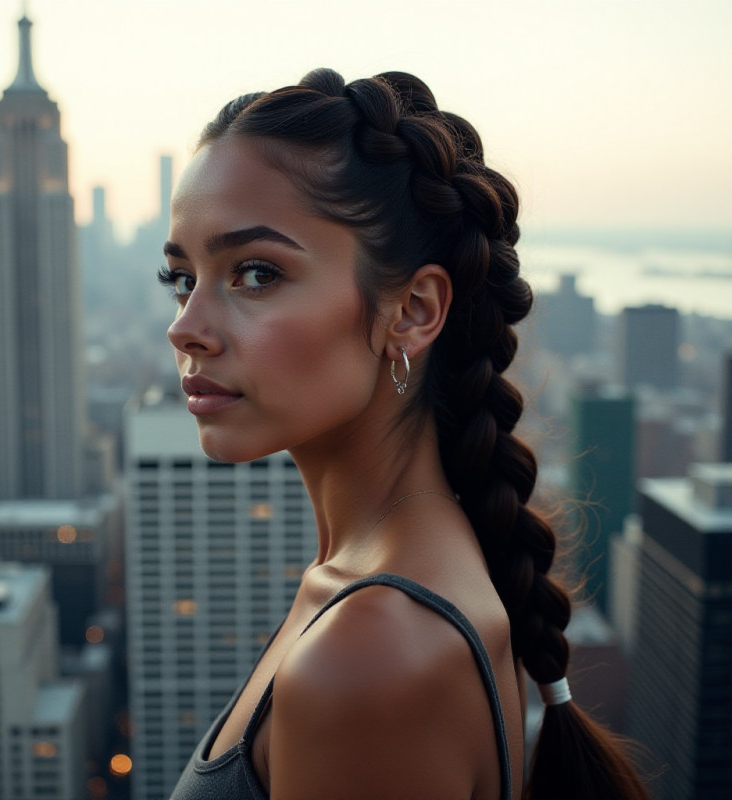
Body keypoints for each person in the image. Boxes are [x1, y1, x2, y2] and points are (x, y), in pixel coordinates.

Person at [160, 69, 649, 800]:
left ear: (414, 311)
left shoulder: (374, 652)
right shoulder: (382, 587)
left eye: (256, 274)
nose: (186, 327)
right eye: (180, 278)